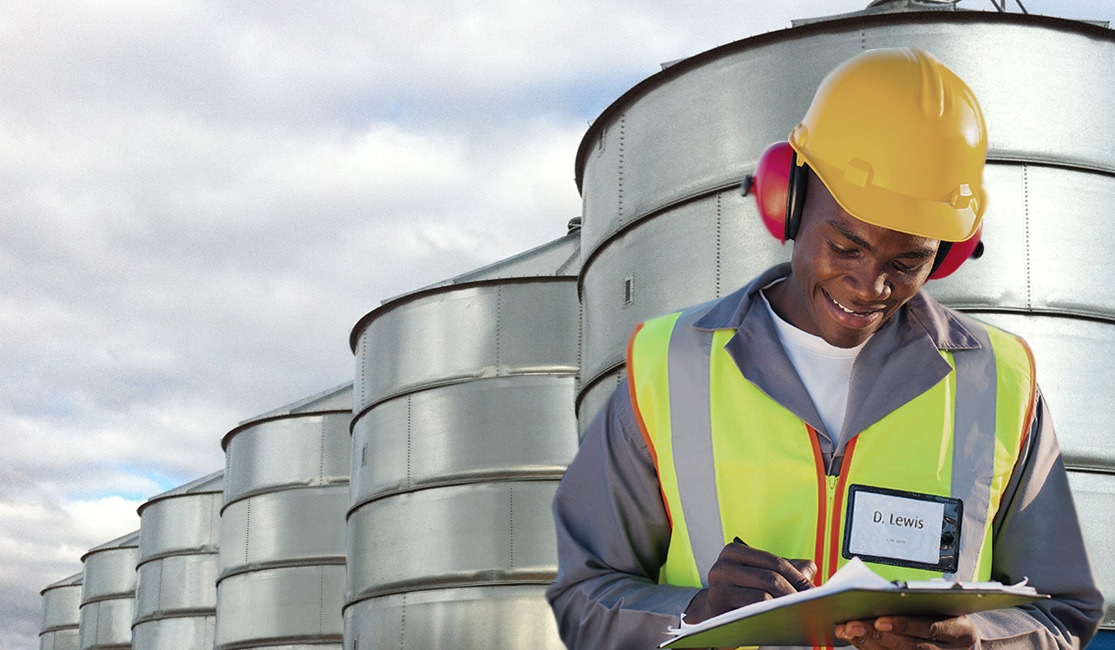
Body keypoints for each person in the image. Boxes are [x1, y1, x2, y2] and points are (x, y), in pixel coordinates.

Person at [546, 47, 1104, 650]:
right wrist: (696, 612)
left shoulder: (1001, 382)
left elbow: (1063, 613)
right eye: (845, 248)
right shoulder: (668, 364)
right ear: (787, 199)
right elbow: (584, 597)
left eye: (907, 262)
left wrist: (978, 642)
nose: (870, 287)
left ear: (948, 254)